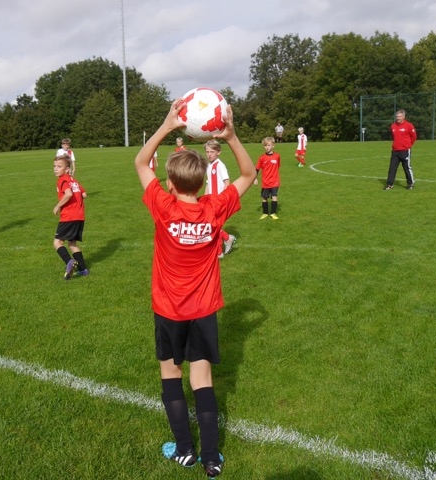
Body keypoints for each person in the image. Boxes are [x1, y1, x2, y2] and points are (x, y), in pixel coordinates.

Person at [135, 99, 257, 478]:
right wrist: (232, 137)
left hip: (169, 309)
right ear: (203, 183)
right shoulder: (214, 209)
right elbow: (249, 174)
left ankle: (185, 451)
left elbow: (140, 163)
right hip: (203, 310)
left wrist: (168, 125)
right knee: (202, 381)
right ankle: (211, 458)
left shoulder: (163, 205)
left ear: (170, 184)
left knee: (171, 375)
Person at [52, 154, 89, 279]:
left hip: (69, 216)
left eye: (59, 166)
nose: (55, 169)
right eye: (54, 166)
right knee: (72, 243)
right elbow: (84, 195)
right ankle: (84, 270)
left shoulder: (62, 180)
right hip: (79, 216)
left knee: (57, 242)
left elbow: (68, 194)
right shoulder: (74, 181)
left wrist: (58, 206)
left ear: (67, 169)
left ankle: (69, 261)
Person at [204, 139, 237, 257]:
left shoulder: (220, 165)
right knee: (213, 225)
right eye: (207, 152)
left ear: (218, 152)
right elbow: (208, 183)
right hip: (211, 200)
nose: (209, 154)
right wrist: (205, 199)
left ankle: (219, 252)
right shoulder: (209, 165)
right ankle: (227, 239)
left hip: (218, 200)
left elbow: (227, 182)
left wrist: (222, 199)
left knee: (214, 225)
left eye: (212, 152)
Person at [384, 109, 416, 190]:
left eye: (399, 116)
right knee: (392, 168)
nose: (398, 118)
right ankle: (389, 184)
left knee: (407, 167)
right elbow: (394, 136)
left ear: (403, 117)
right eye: (397, 116)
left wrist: (408, 145)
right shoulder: (393, 126)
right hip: (395, 151)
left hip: (405, 151)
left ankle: (410, 184)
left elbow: (414, 136)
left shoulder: (409, 126)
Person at [254, 137, 281, 220]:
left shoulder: (277, 156)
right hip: (265, 182)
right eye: (265, 145)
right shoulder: (262, 157)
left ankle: (273, 213)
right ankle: (265, 213)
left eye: (269, 145)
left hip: (275, 181)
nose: (267, 147)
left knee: (274, 196)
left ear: (273, 146)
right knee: (264, 198)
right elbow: (257, 169)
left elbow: (278, 166)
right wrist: (255, 178)